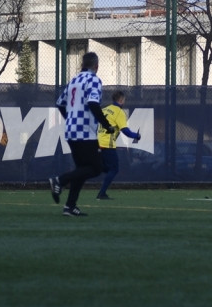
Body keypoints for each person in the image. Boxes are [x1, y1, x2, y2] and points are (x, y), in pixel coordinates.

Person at [49, 52, 116, 217]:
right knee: (96, 168)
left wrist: (70, 118)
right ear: (96, 66)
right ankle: (60, 180)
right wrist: (106, 125)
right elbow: (93, 103)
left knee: (82, 169)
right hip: (85, 132)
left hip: (71, 130)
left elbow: (60, 103)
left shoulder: (74, 80)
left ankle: (70, 206)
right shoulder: (94, 79)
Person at [96, 90, 142, 201]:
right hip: (108, 144)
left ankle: (95, 169)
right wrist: (137, 135)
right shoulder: (119, 112)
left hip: (98, 142)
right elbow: (125, 131)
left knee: (107, 168)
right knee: (114, 169)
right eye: (124, 100)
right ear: (121, 100)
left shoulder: (105, 109)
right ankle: (101, 194)